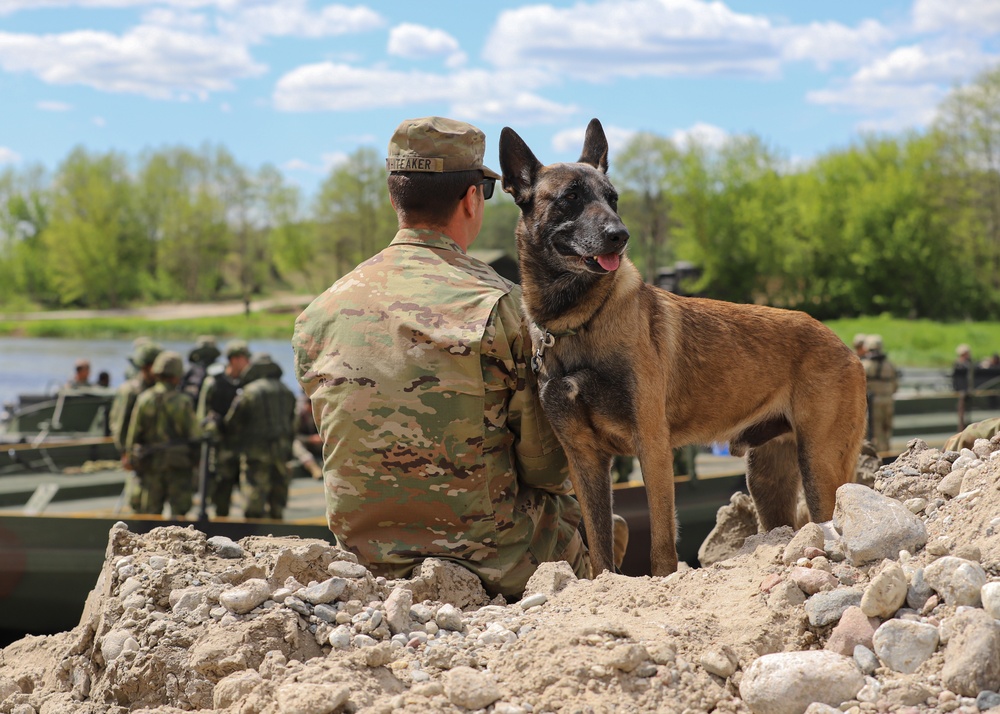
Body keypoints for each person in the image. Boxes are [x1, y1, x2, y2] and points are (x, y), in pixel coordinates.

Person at [294, 116, 614, 599]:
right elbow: (547, 468)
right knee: (602, 525)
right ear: (470, 198)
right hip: (499, 564)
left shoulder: (318, 314)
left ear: (393, 196)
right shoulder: (502, 306)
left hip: (365, 565)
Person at [124, 351, 198, 517]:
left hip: (151, 466)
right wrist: (196, 461)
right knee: (179, 515)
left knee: (149, 514)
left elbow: (133, 435)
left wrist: (131, 458)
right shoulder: (183, 402)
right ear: (177, 375)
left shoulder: (144, 399)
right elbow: (195, 436)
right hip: (178, 467)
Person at [224, 353, 296, 519]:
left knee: (254, 493)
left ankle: (253, 534)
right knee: (278, 494)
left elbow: (232, 422)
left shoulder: (249, 392)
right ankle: (279, 533)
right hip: (281, 450)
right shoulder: (287, 391)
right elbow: (293, 424)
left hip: (255, 451)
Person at [196, 339, 251, 517]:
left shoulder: (248, 383)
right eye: (245, 358)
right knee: (220, 494)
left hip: (243, 447)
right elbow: (202, 416)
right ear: (234, 359)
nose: (248, 362)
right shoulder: (214, 382)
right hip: (221, 449)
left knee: (249, 496)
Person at [109, 341, 162, 510]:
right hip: (137, 455)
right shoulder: (130, 390)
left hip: (155, 455)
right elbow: (120, 425)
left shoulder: (157, 389)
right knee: (136, 499)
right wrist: (125, 452)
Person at [861, 334, 898, 453]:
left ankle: (880, 454)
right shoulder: (889, 365)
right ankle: (886, 450)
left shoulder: (865, 365)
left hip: (874, 402)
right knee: (886, 428)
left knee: (876, 430)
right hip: (888, 400)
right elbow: (895, 385)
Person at [180, 335, 221, 405]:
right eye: (203, 354)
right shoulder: (190, 370)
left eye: (209, 354)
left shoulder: (219, 370)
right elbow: (180, 388)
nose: (206, 359)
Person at [952, 344, 974, 431]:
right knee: (961, 411)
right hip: (961, 390)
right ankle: (961, 429)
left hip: (967, 390)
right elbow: (956, 377)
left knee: (967, 412)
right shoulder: (958, 363)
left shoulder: (968, 363)